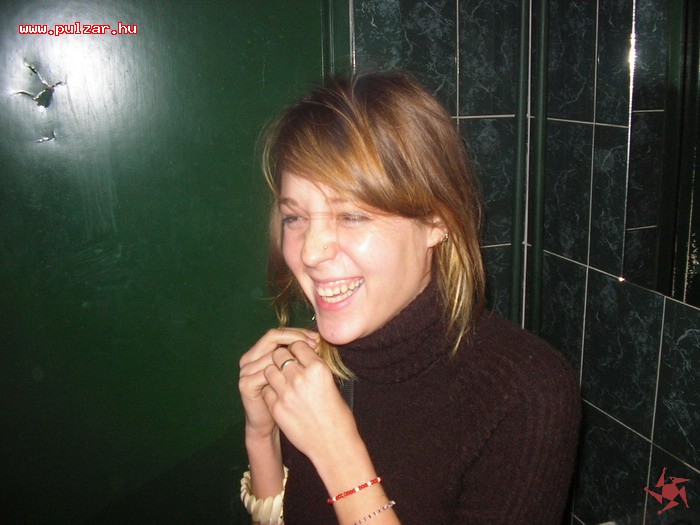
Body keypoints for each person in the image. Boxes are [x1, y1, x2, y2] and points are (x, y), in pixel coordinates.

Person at [238, 71, 581, 525]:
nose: (311, 252)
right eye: (295, 217)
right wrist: (262, 436)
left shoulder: (526, 394)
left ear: (437, 221)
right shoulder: (314, 369)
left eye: (352, 215)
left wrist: (338, 455)